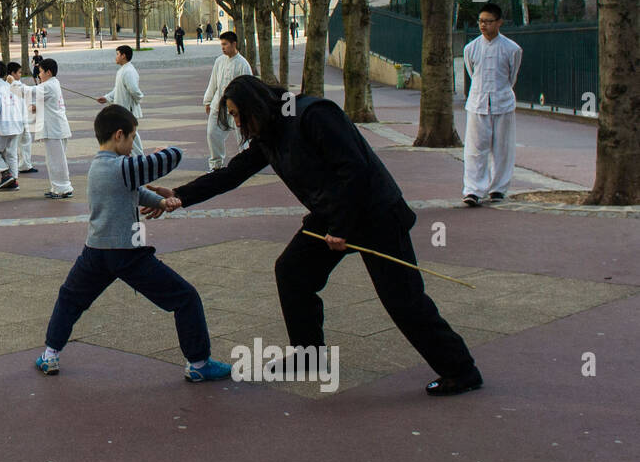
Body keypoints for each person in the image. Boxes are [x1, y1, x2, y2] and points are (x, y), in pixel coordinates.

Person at [152, 75, 483, 396]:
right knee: (293, 271)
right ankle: (307, 356)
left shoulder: (314, 115)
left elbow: (355, 170)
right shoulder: (270, 132)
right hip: (331, 215)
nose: (238, 125)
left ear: (256, 106)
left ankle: (461, 371)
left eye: (239, 115)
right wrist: (180, 195)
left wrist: (341, 227)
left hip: (376, 214)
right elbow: (232, 174)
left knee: (403, 300)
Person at [35, 105, 232, 381]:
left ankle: (50, 355)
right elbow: (172, 156)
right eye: (132, 138)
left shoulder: (98, 166)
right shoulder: (123, 166)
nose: (133, 145)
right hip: (126, 253)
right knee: (185, 298)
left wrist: (161, 202)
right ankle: (199, 364)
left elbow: (133, 192)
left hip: (95, 252)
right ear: (119, 135)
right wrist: (169, 146)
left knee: (70, 299)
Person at [462, 4, 522, 207]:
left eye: (488, 21)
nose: (483, 25)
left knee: (503, 148)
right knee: (475, 149)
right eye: (480, 21)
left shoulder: (512, 49)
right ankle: (473, 189)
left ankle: (498, 188)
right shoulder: (471, 48)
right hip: (477, 103)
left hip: (503, 103)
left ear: (499, 23)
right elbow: (472, 73)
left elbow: (511, 77)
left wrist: (499, 93)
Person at [13, 58, 74, 198]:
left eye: (40, 72)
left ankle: (63, 188)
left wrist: (14, 83)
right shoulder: (52, 83)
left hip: (54, 129)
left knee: (56, 160)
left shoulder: (48, 85)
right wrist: (37, 107)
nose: (39, 75)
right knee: (54, 160)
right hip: (56, 128)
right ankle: (58, 187)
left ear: (48, 72)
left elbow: (28, 91)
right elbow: (46, 100)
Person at [202, 31, 253, 171]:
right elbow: (213, 82)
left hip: (237, 108)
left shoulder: (243, 65)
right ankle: (216, 165)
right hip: (218, 105)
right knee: (212, 134)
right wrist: (208, 101)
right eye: (221, 44)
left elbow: (249, 88)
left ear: (234, 44)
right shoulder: (219, 61)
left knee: (242, 136)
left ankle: (246, 165)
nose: (223, 47)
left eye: (225, 44)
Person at [96, 45, 145, 155]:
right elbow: (117, 89)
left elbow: (134, 90)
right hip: (123, 110)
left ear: (123, 56)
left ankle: (139, 159)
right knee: (128, 136)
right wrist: (107, 98)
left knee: (131, 137)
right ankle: (135, 159)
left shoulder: (128, 71)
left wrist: (139, 98)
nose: (116, 57)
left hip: (128, 110)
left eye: (118, 54)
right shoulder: (123, 70)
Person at [0, 61, 23, 190]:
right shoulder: (9, 85)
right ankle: (14, 181)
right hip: (15, 123)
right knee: (11, 153)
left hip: (3, 125)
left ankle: (6, 174)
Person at [6, 62, 38, 175]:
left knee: (26, 140)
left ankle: (25, 165)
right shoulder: (8, 84)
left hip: (23, 117)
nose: (20, 74)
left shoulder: (17, 83)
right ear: (12, 73)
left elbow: (25, 94)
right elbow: (24, 91)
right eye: (19, 72)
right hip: (15, 118)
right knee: (12, 143)